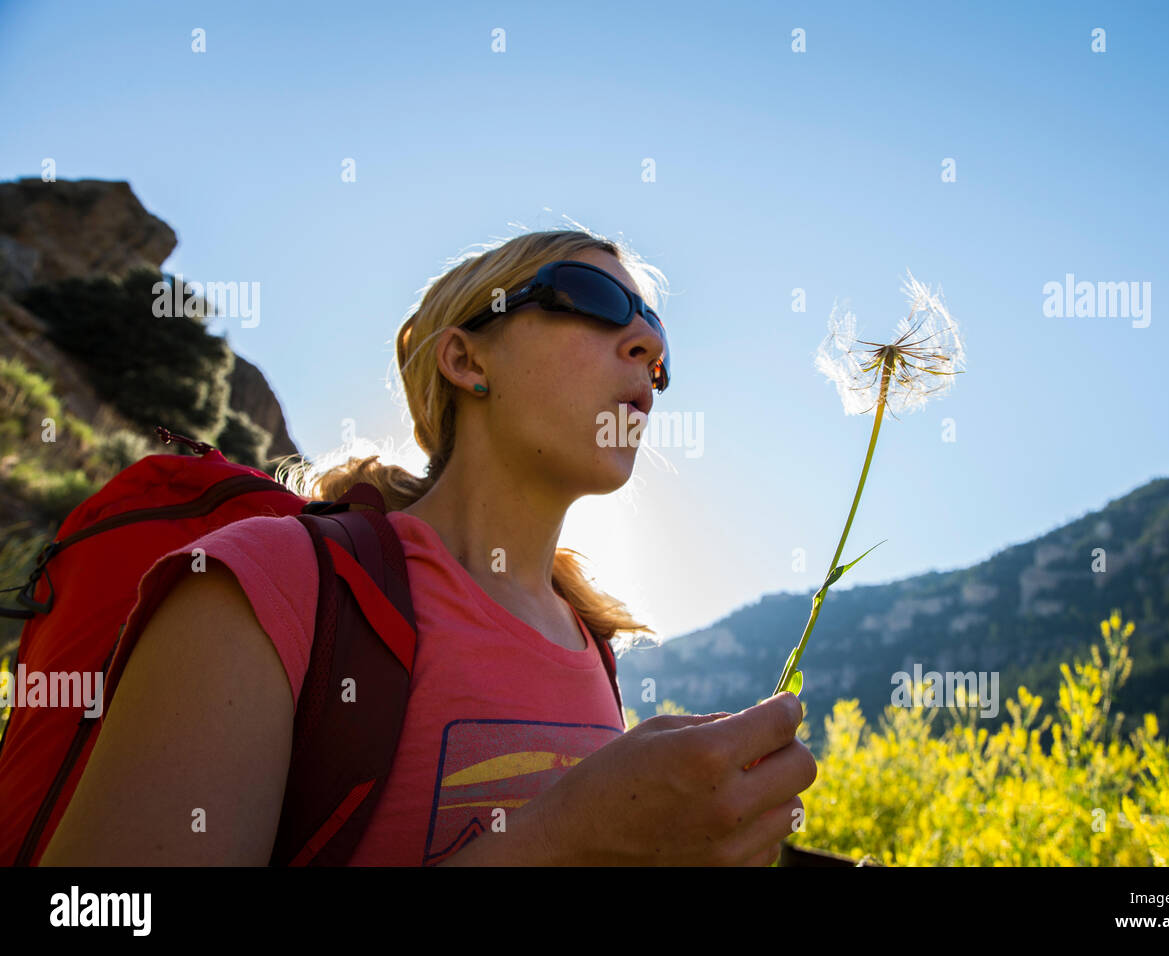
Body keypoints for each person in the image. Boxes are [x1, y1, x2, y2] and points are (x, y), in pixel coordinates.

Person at [39, 228, 816, 866]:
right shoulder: (277, 583)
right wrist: (560, 842)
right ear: (466, 360)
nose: (649, 344)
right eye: (599, 302)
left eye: (660, 341)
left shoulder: (594, 648)